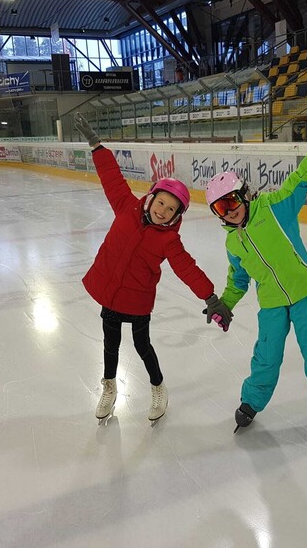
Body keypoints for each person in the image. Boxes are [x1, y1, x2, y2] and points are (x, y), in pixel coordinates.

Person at [204, 109, 307, 446]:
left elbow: (302, 176)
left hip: (304, 294)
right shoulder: (233, 242)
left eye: (230, 201)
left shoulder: (275, 206)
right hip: (271, 304)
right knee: (266, 357)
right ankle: (252, 402)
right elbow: (237, 280)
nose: (229, 211)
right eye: (219, 208)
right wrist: (224, 304)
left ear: (243, 194)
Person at [76, 114, 232, 425]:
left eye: (171, 209)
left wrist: (210, 297)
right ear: (152, 197)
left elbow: (188, 269)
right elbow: (112, 177)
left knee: (142, 346)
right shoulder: (125, 206)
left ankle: (158, 386)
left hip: (137, 301)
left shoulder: (169, 240)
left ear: (176, 215)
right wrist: (96, 144)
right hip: (111, 291)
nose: (163, 211)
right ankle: (109, 387)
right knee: (110, 344)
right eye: (161, 203)